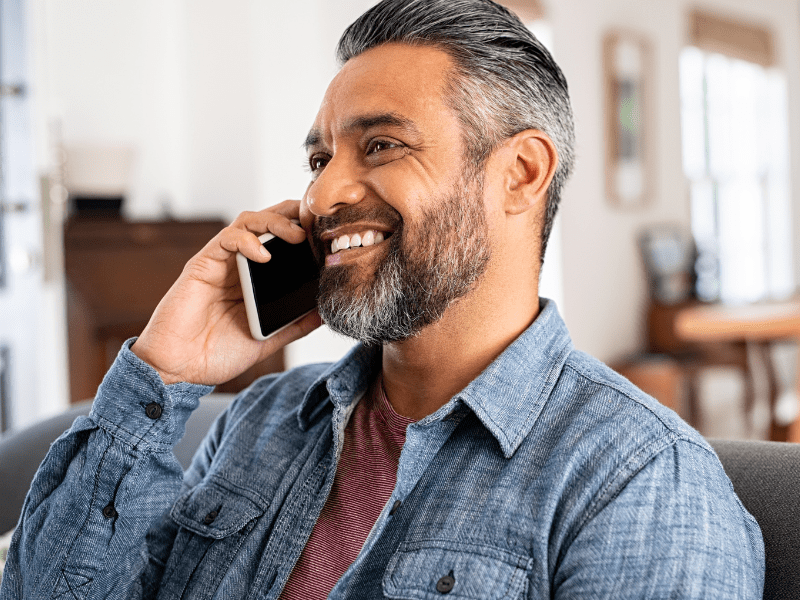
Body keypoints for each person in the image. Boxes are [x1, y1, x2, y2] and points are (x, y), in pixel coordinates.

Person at [1, 0, 764, 598]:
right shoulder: (260, 423)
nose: (323, 193)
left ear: (521, 174)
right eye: (318, 156)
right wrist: (161, 374)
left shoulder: (638, 483)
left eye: (381, 146)